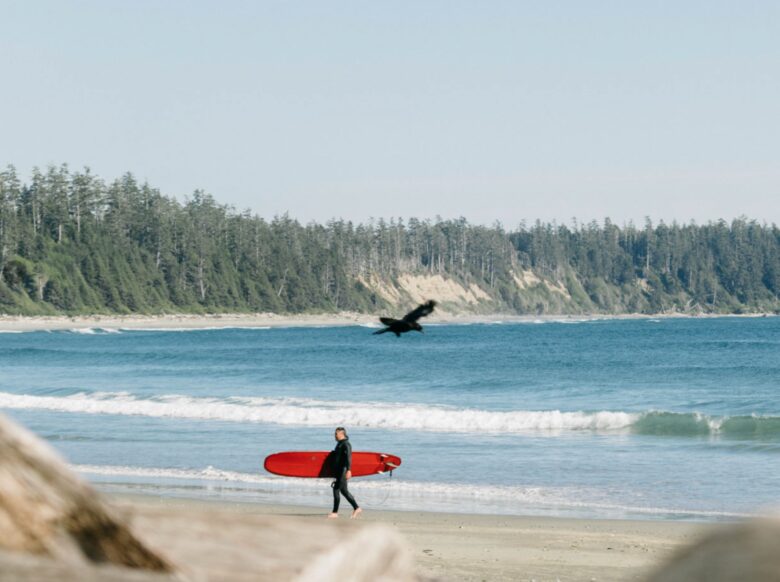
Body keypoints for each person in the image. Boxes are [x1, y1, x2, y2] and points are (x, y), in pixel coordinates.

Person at [328, 427, 362, 519]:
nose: (334, 435)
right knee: (344, 491)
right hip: (339, 471)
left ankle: (335, 513)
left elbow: (348, 458)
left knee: (336, 489)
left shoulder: (346, 444)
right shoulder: (339, 444)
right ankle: (357, 508)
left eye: (336, 434)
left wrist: (349, 470)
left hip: (343, 471)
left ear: (341, 434)